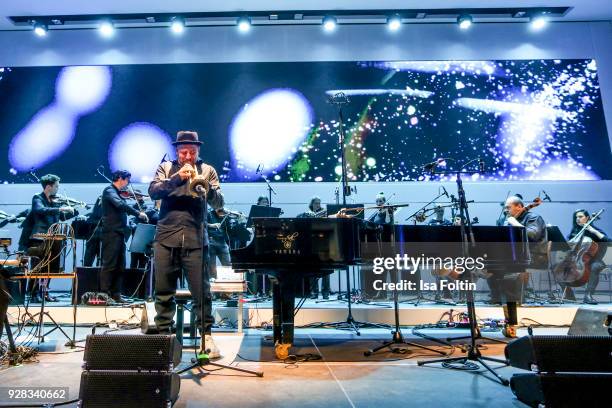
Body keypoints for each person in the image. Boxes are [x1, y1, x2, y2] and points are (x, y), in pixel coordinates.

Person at [149, 130, 224, 358]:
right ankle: (163, 338)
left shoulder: (208, 170)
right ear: (177, 152)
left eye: (192, 152)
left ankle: (206, 338)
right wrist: (179, 177)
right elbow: (153, 192)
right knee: (163, 291)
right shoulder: (165, 168)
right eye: (184, 152)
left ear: (197, 151)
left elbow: (220, 202)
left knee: (202, 292)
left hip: (195, 238)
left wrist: (206, 190)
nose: (188, 156)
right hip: (166, 238)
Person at [495, 196, 547, 337]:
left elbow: (532, 235)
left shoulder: (534, 217)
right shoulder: (505, 219)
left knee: (508, 276)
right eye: (505, 208)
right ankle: (506, 314)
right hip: (513, 257)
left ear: (519, 206)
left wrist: (515, 223)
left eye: (508, 207)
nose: (505, 210)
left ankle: (511, 321)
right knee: (490, 270)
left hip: (534, 256)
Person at [26, 174, 76, 302]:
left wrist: (74, 212)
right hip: (38, 238)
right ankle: (34, 294)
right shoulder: (37, 198)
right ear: (49, 186)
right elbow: (40, 210)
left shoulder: (54, 202)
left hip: (53, 238)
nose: (57, 189)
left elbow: (61, 217)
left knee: (50, 267)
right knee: (38, 267)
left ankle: (45, 292)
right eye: (56, 186)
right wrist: (60, 208)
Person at [100, 170, 148, 303]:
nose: (128, 184)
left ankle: (116, 294)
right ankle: (105, 294)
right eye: (127, 180)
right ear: (120, 178)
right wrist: (138, 213)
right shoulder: (109, 190)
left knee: (120, 265)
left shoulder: (117, 193)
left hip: (119, 233)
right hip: (111, 233)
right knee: (109, 264)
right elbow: (120, 204)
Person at [564, 210, 610, 304]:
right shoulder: (575, 231)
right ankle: (569, 295)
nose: (578, 219)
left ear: (588, 218)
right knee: (558, 268)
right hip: (577, 259)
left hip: (595, 259)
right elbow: (566, 244)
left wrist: (593, 231)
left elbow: (608, 241)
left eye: (580, 217)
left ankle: (588, 296)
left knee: (595, 267)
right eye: (576, 217)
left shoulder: (593, 230)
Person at [206, 208, 231, 281]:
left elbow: (228, 228)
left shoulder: (225, 214)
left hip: (222, 241)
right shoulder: (209, 213)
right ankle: (213, 286)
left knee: (227, 264)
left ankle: (228, 284)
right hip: (211, 241)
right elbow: (202, 224)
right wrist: (211, 225)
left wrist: (230, 219)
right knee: (212, 266)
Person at [83, 196, 102, 267]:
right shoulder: (91, 216)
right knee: (88, 262)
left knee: (99, 263)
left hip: (100, 241)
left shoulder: (106, 216)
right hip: (92, 241)